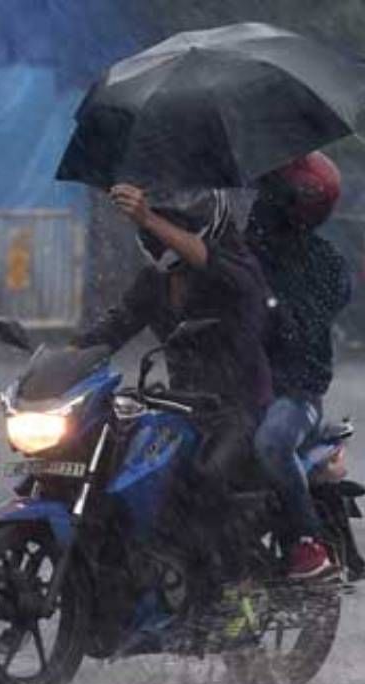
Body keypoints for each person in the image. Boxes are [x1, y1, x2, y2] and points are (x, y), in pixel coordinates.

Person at [74, 184, 273, 566]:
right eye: (153, 224)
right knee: (118, 471)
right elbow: (113, 330)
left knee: (204, 478)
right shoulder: (155, 282)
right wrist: (62, 358)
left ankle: (231, 582)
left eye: (168, 225)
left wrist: (147, 215)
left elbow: (210, 261)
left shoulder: (238, 270)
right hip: (179, 407)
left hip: (236, 410)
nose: (156, 232)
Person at [247, 152, 352, 580]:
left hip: (294, 395)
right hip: (234, 384)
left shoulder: (323, 264)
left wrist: (277, 313)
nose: (263, 200)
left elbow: (319, 310)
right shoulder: (244, 246)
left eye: (274, 193)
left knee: (272, 444)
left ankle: (307, 543)